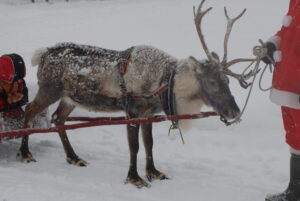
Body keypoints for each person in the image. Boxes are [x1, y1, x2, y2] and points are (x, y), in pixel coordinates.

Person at [262, 0, 300, 200]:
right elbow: (288, 32)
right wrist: (272, 44)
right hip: (288, 82)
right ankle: (295, 191)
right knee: (295, 138)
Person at [0, 53, 50, 141]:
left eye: (18, 80)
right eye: (15, 80)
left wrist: (25, 106)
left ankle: (37, 123)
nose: (17, 82)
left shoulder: (19, 83)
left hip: (10, 115)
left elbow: (24, 97)